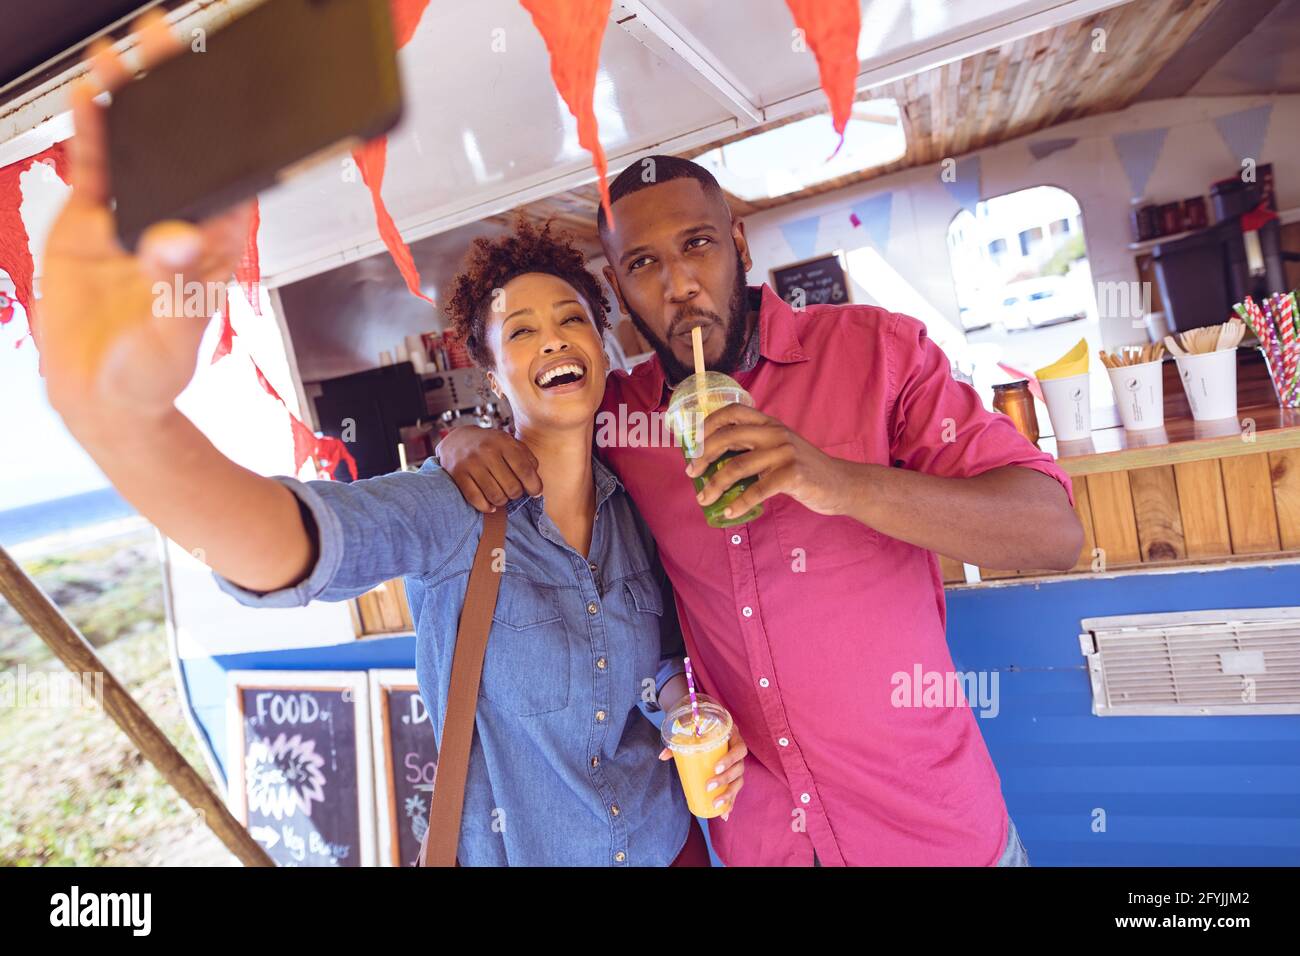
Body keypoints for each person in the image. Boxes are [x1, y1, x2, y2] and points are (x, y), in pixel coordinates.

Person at [36, 20, 745, 866]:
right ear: (490, 374)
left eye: (570, 320)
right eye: (519, 332)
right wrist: (127, 424)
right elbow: (295, 546)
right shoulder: (452, 510)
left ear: (602, 345)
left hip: (677, 849)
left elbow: (651, 662)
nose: (553, 340)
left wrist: (681, 707)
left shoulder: (637, 497)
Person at [435, 155, 1085, 867]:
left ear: (739, 245)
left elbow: (1051, 530)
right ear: (618, 287)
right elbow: (535, 420)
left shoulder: (876, 353)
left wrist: (835, 480)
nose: (679, 286)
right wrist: (461, 439)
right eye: (644, 263)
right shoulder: (617, 417)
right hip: (763, 844)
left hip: (931, 835)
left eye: (698, 245)